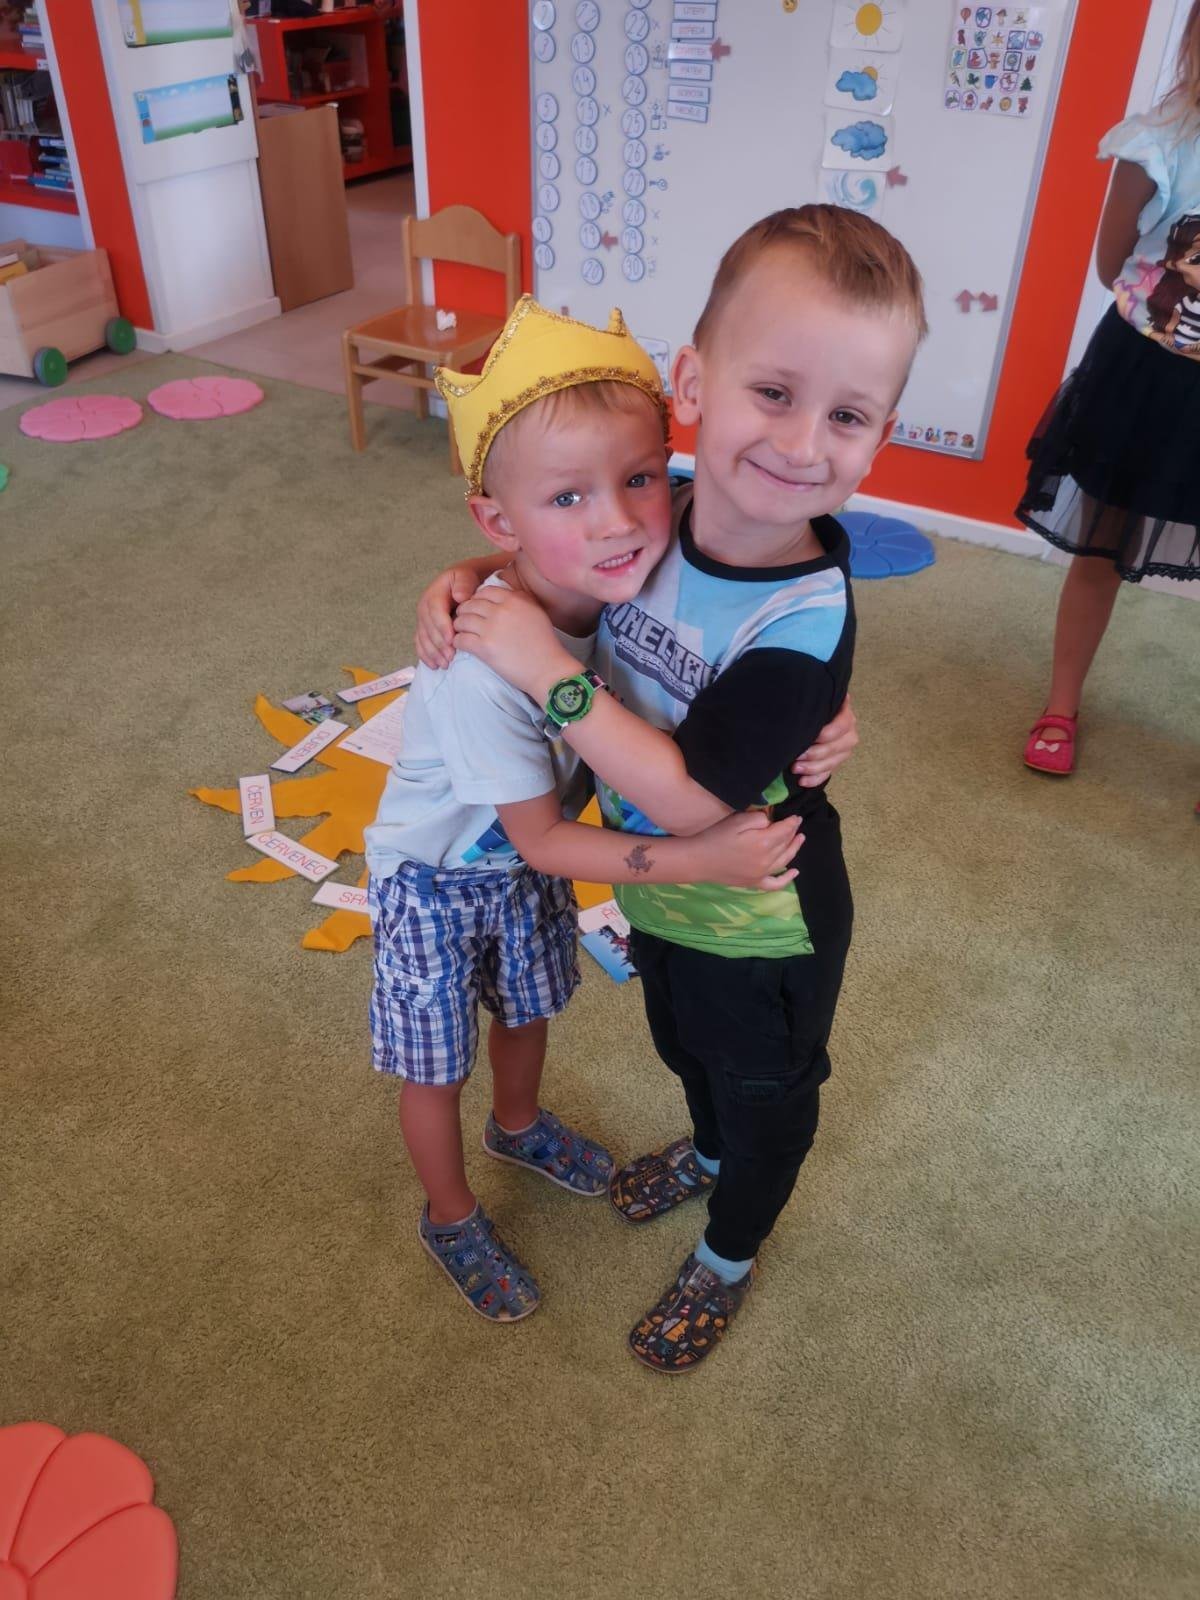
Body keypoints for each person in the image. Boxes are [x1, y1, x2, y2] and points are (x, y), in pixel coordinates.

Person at [431, 206, 926, 1371]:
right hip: (656, 890)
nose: (801, 444)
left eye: (847, 415)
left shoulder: (800, 621)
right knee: (681, 1041)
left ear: (882, 435)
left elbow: (696, 799)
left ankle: (730, 1249)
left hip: (763, 913)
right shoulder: (668, 507)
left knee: (766, 1093)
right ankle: (704, 1149)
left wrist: (549, 675)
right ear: (694, 381)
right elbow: (571, 546)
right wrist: (466, 573)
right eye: (775, 392)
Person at [365, 297, 808, 1324]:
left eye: (640, 478)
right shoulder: (482, 672)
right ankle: (449, 1214)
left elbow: (762, 603)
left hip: (523, 869)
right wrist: (706, 857)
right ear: (498, 519)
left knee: (529, 1011)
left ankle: (517, 1126)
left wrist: (821, 709)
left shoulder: (616, 572)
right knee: (436, 1067)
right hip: (438, 882)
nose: (616, 520)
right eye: (567, 496)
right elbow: (545, 838)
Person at [1017, 2, 1200, 777]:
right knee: (1101, 546)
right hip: (1144, 382)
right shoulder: (1158, 143)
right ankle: (1060, 706)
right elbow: (1110, 266)